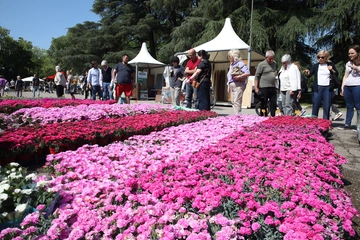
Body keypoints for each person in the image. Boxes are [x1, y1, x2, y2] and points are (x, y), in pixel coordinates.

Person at [304, 50, 338, 119]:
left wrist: (332, 70)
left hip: (327, 88)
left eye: (322, 57)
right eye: (318, 57)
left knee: (327, 106)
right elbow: (309, 74)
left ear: (326, 58)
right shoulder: (315, 66)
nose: (320, 59)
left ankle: (325, 123)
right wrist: (307, 73)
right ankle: (314, 122)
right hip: (318, 88)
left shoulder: (330, 65)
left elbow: (336, 74)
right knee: (316, 105)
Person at [339, 45, 360, 132]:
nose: (350, 55)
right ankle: (347, 124)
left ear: (358, 53)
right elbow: (345, 76)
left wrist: (357, 69)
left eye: (352, 53)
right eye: (349, 53)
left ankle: (358, 125)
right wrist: (342, 87)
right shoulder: (348, 63)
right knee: (349, 106)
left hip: (357, 85)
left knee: (358, 106)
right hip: (348, 86)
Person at [226, 49, 250, 114]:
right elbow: (229, 76)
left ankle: (237, 116)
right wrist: (228, 85)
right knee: (233, 102)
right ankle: (236, 115)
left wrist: (240, 76)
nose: (229, 58)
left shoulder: (240, 64)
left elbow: (247, 73)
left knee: (237, 101)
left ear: (234, 57)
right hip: (232, 85)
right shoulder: (232, 65)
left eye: (230, 57)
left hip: (238, 84)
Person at [254, 50, 278, 117]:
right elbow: (257, 76)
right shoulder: (261, 64)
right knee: (264, 103)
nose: (271, 60)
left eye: (272, 58)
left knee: (273, 103)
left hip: (273, 86)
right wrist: (256, 88)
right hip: (264, 86)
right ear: (266, 57)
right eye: (269, 59)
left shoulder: (274, 63)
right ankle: (263, 116)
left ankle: (273, 116)